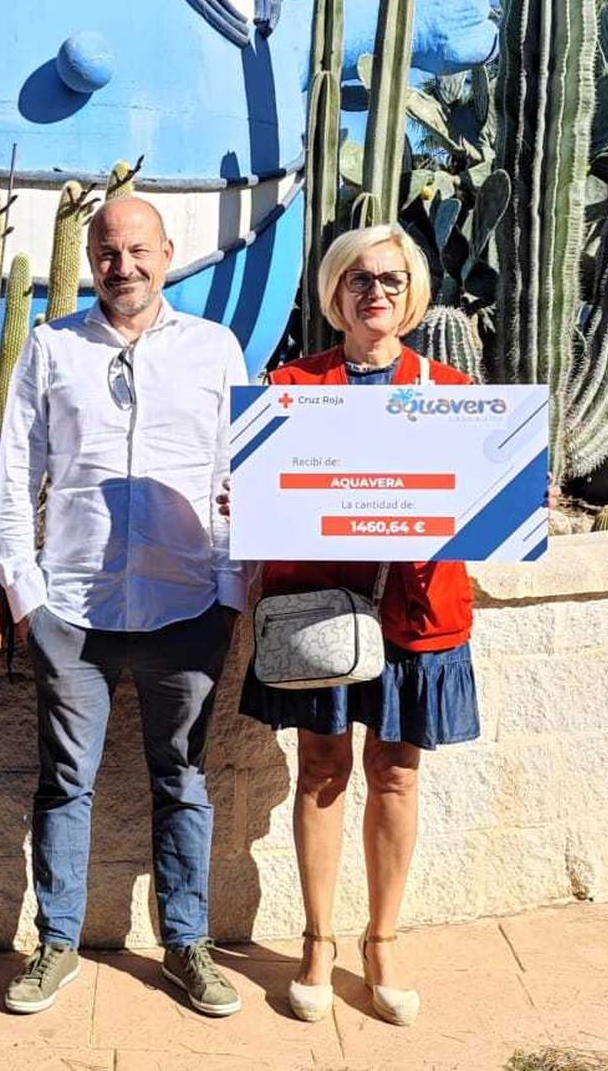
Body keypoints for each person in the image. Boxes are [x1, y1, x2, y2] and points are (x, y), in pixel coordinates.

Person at [0, 196, 247, 1019]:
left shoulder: (214, 348)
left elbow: (235, 472)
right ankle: (56, 940)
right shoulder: (51, 344)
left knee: (184, 778)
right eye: (108, 250)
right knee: (66, 781)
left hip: (187, 606)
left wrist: (230, 590)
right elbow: (12, 472)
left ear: (168, 253)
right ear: (91, 256)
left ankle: (186, 941)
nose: (123, 265)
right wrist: (25, 594)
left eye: (139, 250)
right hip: (73, 608)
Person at [235, 222, 479, 1029]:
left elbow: (476, 501)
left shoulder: (451, 390)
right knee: (322, 771)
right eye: (359, 278)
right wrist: (247, 498)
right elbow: (268, 499)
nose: (376, 291)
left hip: (416, 611)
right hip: (324, 611)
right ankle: (316, 942)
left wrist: (516, 498)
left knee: (398, 773)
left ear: (414, 295)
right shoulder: (291, 386)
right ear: (336, 293)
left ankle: (383, 941)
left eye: (392, 278)